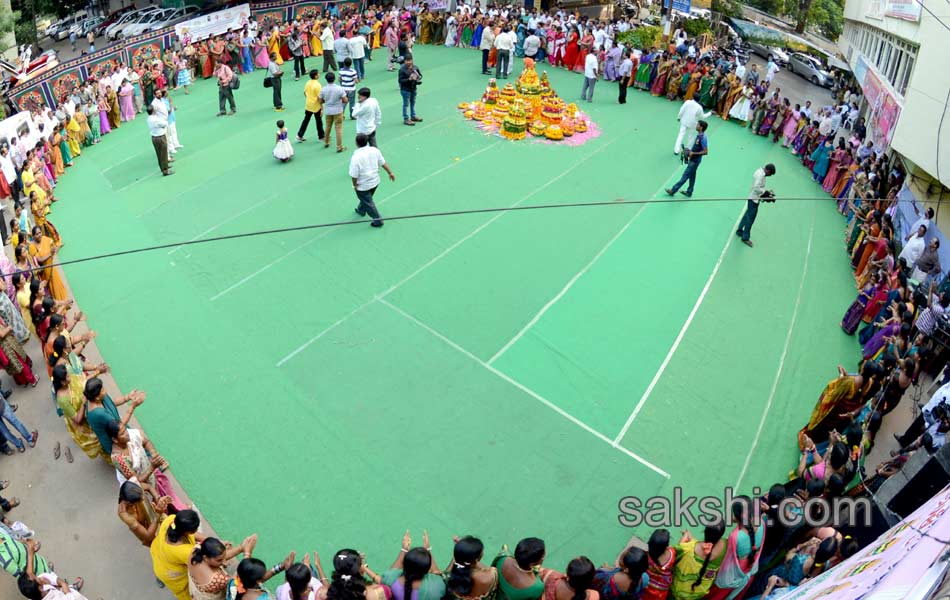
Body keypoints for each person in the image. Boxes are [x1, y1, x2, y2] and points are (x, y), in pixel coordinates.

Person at [150, 509, 205, 600]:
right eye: (196, 528)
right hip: (171, 575)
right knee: (185, 594)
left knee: (159, 571)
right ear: (187, 532)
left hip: (158, 556)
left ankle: (159, 578)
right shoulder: (186, 552)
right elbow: (202, 565)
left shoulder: (172, 520)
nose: (196, 529)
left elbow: (193, 535)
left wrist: (210, 540)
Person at [350, 133, 395, 228]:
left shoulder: (356, 157)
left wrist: (354, 185)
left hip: (363, 185)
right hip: (375, 181)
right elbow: (383, 163)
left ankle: (378, 220)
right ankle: (361, 210)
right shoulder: (375, 150)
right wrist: (390, 173)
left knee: (368, 202)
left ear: (356, 143)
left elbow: (354, 175)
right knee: (366, 199)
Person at [736, 164, 776, 248]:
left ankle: (739, 231)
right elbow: (756, 188)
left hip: (754, 197)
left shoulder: (759, 171)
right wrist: (766, 193)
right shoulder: (760, 175)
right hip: (754, 199)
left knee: (746, 215)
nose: (770, 176)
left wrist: (765, 194)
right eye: (770, 174)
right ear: (768, 170)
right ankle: (745, 238)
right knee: (750, 219)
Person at [665, 120, 708, 198]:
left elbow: (705, 152)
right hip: (693, 160)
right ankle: (689, 192)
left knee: (685, 176)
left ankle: (673, 190)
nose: (696, 125)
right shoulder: (699, 135)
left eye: (698, 125)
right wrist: (689, 151)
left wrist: (693, 153)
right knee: (692, 176)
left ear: (701, 127)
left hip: (695, 161)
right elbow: (697, 148)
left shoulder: (703, 138)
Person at [319, 71, 347, 152]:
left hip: (328, 110)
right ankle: (339, 146)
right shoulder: (339, 88)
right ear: (334, 79)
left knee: (328, 127)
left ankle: (326, 142)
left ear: (326, 79)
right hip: (338, 110)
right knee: (338, 128)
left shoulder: (323, 89)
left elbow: (320, 101)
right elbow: (345, 100)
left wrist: (327, 101)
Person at [297, 70, 325, 143]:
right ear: (315, 76)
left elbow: (305, 93)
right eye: (318, 73)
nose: (319, 74)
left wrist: (309, 98)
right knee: (319, 121)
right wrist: (322, 107)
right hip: (316, 106)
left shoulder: (308, 82)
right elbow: (320, 98)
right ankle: (321, 136)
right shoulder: (318, 85)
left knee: (306, 120)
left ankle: (299, 135)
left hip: (308, 104)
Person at [146, 106, 173, 177]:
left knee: (159, 154)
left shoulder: (149, 119)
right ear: (153, 111)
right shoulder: (156, 119)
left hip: (154, 137)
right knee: (163, 153)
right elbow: (165, 123)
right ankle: (165, 170)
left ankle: (163, 167)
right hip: (160, 137)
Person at [398, 55, 423, 126]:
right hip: (405, 90)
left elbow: (420, 75)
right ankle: (406, 119)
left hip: (413, 88)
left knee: (413, 102)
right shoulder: (402, 70)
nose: (408, 62)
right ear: (404, 61)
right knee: (406, 104)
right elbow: (400, 80)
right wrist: (409, 79)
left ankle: (413, 116)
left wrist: (418, 77)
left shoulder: (415, 67)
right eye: (407, 60)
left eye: (410, 60)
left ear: (412, 60)